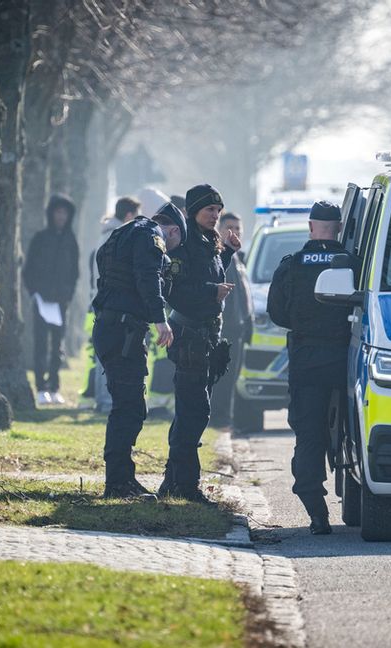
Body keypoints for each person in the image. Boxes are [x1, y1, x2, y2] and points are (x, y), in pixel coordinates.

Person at [267, 201, 356, 535]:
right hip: (348, 359)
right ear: (340, 227)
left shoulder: (292, 265)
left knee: (309, 435)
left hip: (307, 359)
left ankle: (317, 514)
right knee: (358, 430)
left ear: (310, 226)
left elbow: (277, 313)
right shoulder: (355, 265)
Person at [92, 202, 186, 498]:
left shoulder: (120, 233)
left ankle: (121, 479)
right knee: (129, 408)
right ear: (172, 230)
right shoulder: (152, 237)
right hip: (124, 332)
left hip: (111, 328)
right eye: (174, 245)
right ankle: (118, 482)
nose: (169, 252)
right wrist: (161, 321)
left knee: (128, 405)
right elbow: (149, 278)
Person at [159, 184, 241, 502]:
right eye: (210, 210)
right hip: (189, 337)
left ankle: (175, 480)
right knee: (193, 411)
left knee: (194, 412)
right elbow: (176, 292)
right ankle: (184, 484)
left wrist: (230, 252)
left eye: (218, 211)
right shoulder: (182, 245)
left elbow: (213, 273)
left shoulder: (211, 242)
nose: (215, 216)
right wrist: (211, 292)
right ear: (193, 211)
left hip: (207, 337)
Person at [83, 197, 141, 406]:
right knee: (109, 354)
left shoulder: (107, 235)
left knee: (104, 353)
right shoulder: (116, 238)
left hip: (102, 300)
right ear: (128, 216)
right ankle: (106, 401)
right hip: (110, 302)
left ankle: (104, 399)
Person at [23, 194, 80, 406]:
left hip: (60, 302)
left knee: (57, 345)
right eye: (58, 212)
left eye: (64, 213)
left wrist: (68, 294)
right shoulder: (40, 238)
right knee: (40, 344)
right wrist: (34, 294)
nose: (61, 216)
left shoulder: (70, 241)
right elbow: (28, 270)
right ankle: (41, 387)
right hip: (41, 300)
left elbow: (75, 271)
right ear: (51, 213)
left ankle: (55, 386)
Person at [209, 212, 253, 428]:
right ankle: (219, 417)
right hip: (225, 326)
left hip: (239, 327)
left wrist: (249, 322)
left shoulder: (237, 257)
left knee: (232, 377)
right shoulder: (219, 255)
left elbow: (244, 296)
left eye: (238, 228)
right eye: (230, 227)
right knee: (222, 376)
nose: (234, 232)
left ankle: (226, 417)